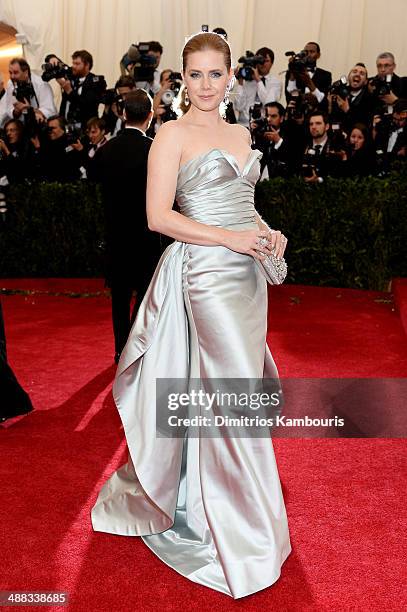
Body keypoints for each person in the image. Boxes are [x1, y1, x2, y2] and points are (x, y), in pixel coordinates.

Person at [91, 32, 291, 598]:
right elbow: (158, 217)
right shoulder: (170, 136)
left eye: (215, 74)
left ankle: (217, 506)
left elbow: (245, 205)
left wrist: (265, 235)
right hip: (203, 275)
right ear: (182, 80)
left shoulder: (241, 133)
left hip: (247, 278)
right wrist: (230, 239)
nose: (205, 85)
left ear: (232, 77)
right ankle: (235, 529)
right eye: (194, 75)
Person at [90, 90, 163, 363]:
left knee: (119, 298)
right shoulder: (155, 150)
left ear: (123, 114)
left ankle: (121, 349)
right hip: (146, 237)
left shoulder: (105, 150)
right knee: (145, 296)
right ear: (150, 116)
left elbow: (92, 179)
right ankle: (135, 345)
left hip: (116, 237)